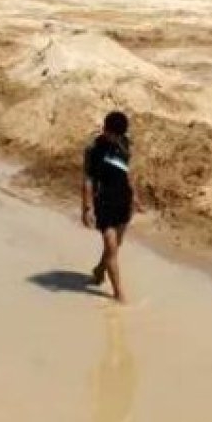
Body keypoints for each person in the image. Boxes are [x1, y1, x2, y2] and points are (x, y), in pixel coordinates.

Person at [82, 111, 133, 303]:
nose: (115, 138)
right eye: (112, 134)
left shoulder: (124, 143)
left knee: (115, 246)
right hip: (103, 202)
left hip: (123, 199)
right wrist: (87, 208)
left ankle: (99, 270)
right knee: (111, 246)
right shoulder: (93, 150)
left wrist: (135, 197)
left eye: (118, 136)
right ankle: (119, 295)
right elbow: (87, 180)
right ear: (105, 129)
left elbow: (127, 172)